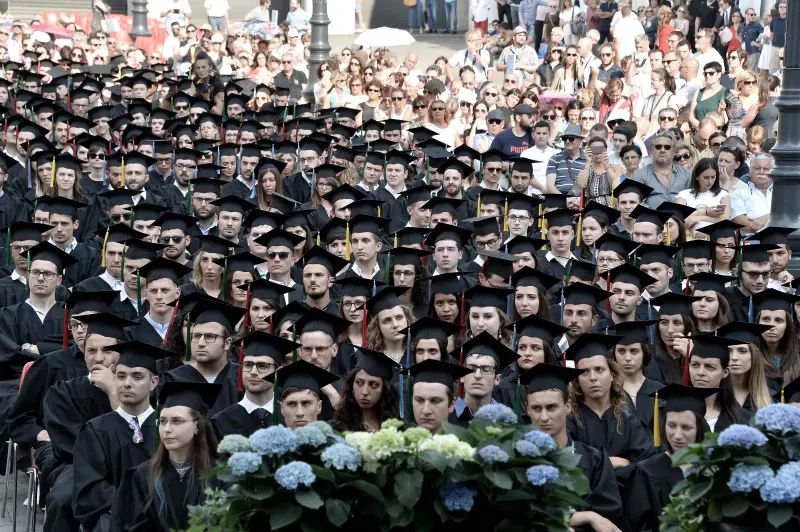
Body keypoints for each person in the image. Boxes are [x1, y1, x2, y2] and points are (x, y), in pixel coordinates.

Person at [72, 341, 172, 532]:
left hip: (162, 517)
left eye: (137, 376)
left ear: (153, 383)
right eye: (121, 376)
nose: (127, 383)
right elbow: (90, 489)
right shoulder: (95, 430)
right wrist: (130, 509)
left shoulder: (167, 427)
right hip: (112, 517)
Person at [521, 363, 625, 530]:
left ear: (568, 406)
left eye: (551, 407)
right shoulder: (516, 461)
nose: (544, 417)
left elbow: (607, 518)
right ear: (528, 410)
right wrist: (584, 516)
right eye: (536, 408)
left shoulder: (594, 460)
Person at [109, 381, 222, 531]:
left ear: (197, 426)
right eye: (163, 421)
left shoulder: (219, 475)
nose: (167, 429)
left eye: (177, 421)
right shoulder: (142, 476)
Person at [623, 384, 715, 532]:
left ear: (700, 428)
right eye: (671, 425)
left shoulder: (714, 469)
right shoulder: (646, 472)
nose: (677, 435)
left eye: (686, 427)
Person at [161, 299, 246, 416]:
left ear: (227, 343)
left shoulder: (243, 378)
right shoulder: (172, 379)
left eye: (210, 337)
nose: (200, 343)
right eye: (196, 336)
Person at [211, 331, 301, 438]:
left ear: (278, 372)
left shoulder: (293, 418)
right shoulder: (221, 421)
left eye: (262, 366)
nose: (253, 371)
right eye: (248, 365)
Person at [687, 334, 752, 432]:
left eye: (710, 367)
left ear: (725, 373)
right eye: (695, 365)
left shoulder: (744, 419)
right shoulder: (675, 413)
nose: (700, 373)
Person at [450, 332, 516, 427]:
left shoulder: (507, 422)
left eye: (486, 369)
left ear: (497, 379)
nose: (477, 375)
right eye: (471, 369)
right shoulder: (446, 417)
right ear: (462, 376)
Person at [331, 347, 401, 432]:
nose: (364, 392)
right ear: (351, 385)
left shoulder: (397, 429)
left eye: (373, 385)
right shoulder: (337, 429)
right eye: (359, 383)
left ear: (384, 390)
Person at [716, 322, 777, 413]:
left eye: (742, 351)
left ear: (754, 356)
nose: (734, 357)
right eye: (728, 351)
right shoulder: (713, 398)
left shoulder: (771, 400)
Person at [406, 359, 471, 433]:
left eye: (435, 401)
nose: (426, 411)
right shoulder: (400, 442)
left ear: (452, 405)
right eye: (419, 400)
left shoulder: (467, 442)